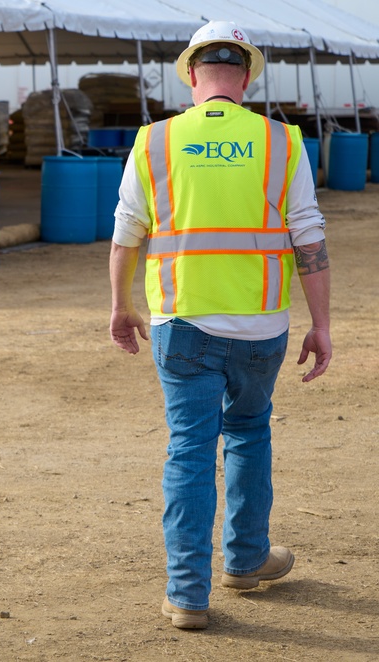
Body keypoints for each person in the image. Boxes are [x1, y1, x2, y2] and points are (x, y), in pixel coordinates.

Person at [108, 21, 332, 630]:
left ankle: (187, 596)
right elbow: (308, 234)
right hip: (261, 326)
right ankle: (246, 559)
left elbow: (127, 229)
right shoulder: (283, 142)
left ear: (189, 75)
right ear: (248, 76)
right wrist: (322, 324)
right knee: (250, 433)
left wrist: (121, 305)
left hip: (181, 323)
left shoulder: (154, 141)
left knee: (188, 449)